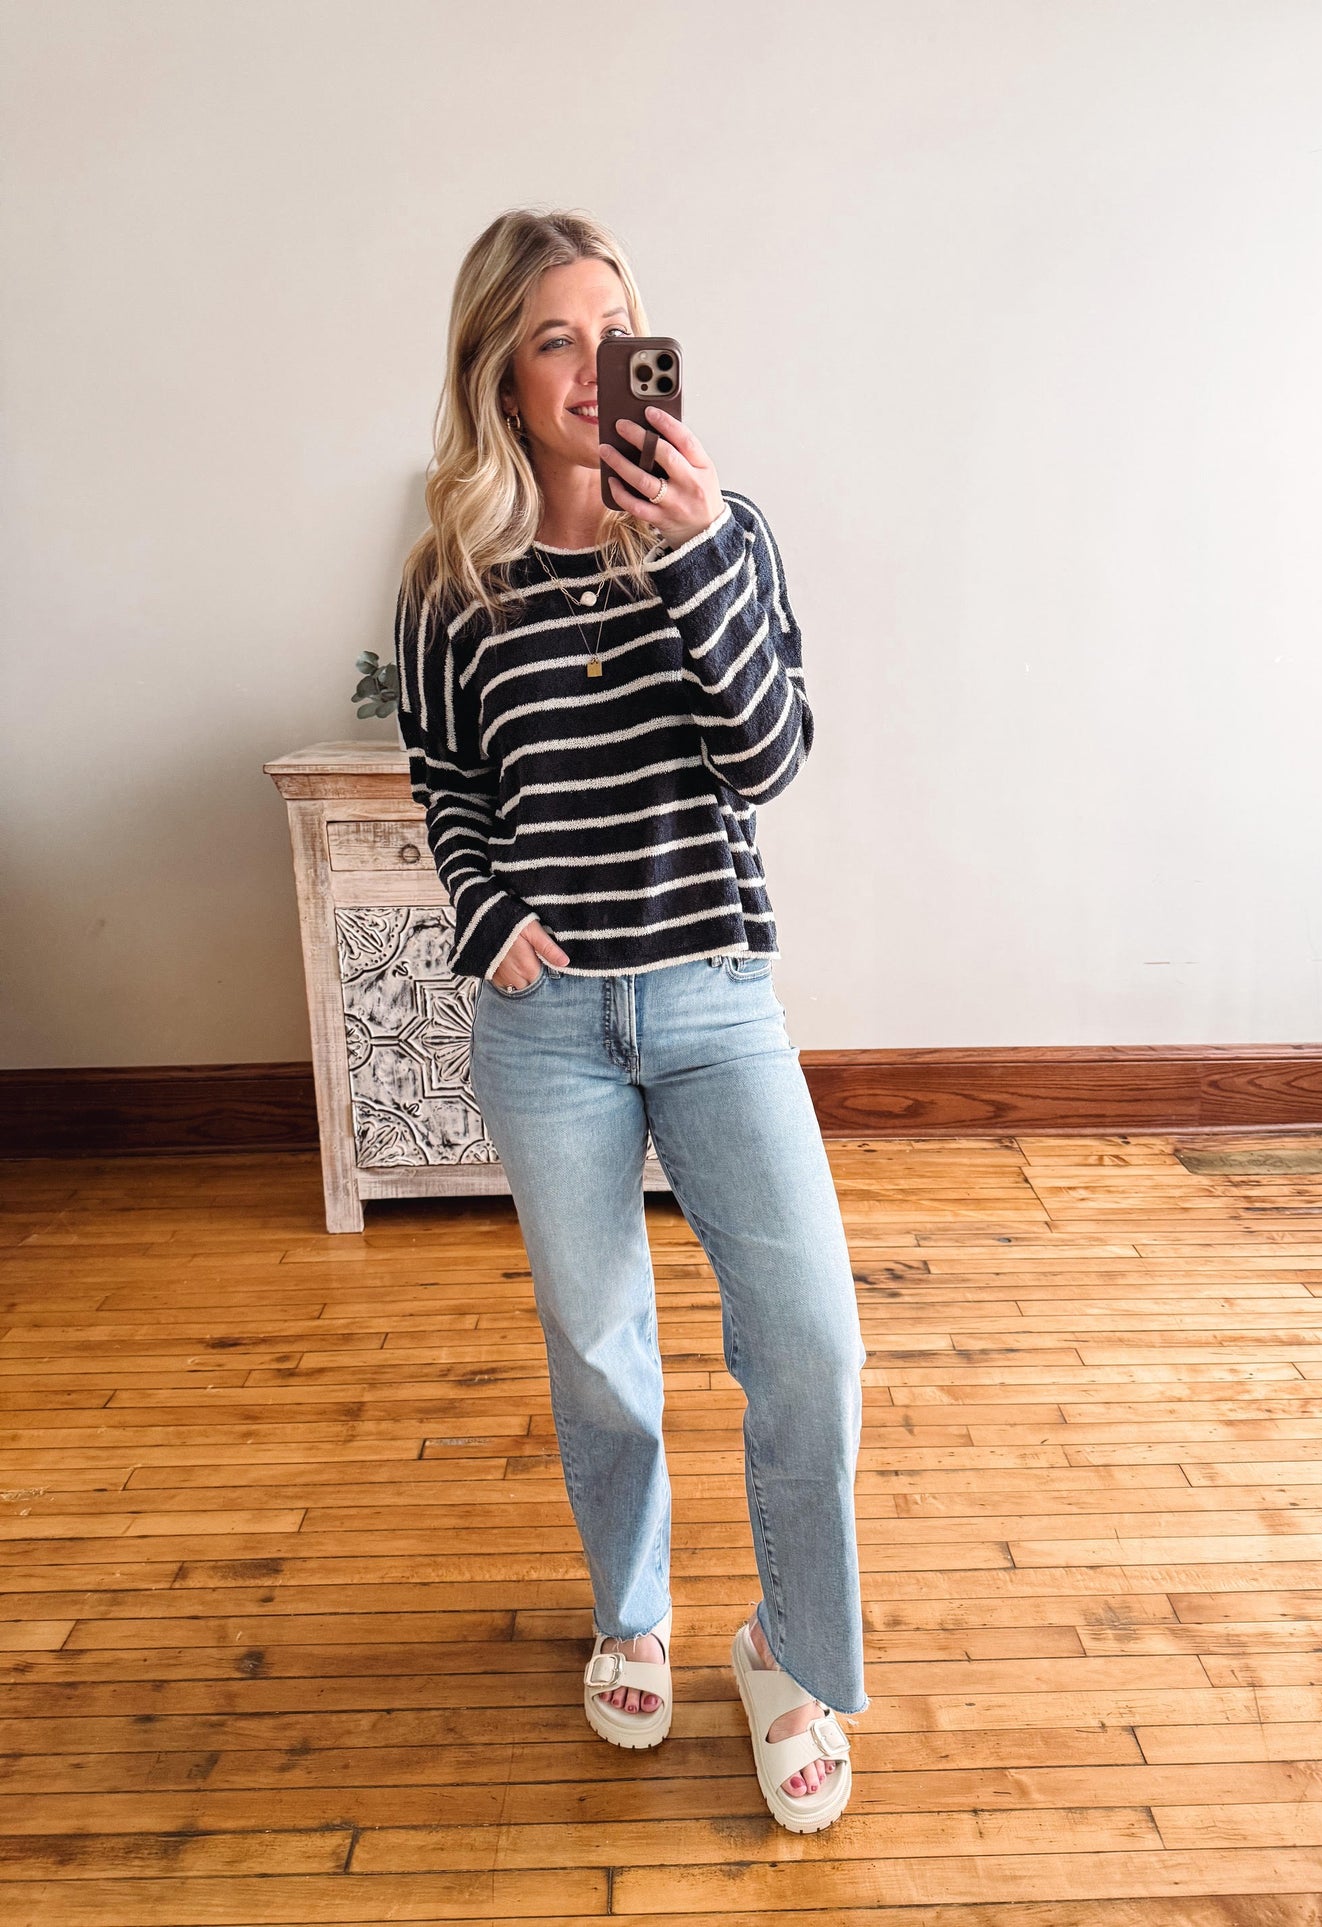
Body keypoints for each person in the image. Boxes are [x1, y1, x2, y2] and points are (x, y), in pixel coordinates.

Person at [393, 208, 867, 1832]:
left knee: (807, 1344)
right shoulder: (450, 574)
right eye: (551, 339)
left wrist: (689, 553)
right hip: (548, 1027)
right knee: (602, 1357)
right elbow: (448, 778)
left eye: (614, 334)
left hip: (717, 1000)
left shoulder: (721, 532)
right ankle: (634, 1611)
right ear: (499, 379)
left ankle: (788, 1652)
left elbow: (768, 756)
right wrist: (485, 913)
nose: (593, 369)